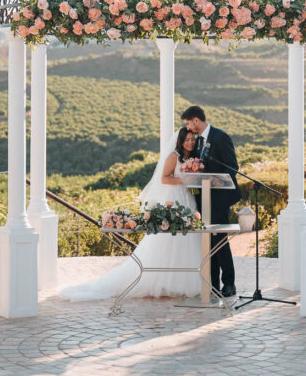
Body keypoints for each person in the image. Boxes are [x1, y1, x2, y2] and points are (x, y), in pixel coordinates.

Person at [58, 127, 201, 301]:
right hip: (174, 199)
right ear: (180, 141)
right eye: (187, 140)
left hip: (188, 199)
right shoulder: (174, 157)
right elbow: (164, 178)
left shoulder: (193, 158)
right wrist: (184, 179)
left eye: (192, 139)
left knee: (188, 239)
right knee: (168, 240)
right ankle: (162, 280)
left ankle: (185, 280)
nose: (190, 142)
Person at [181, 105, 242, 297]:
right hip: (204, 198)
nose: (188, 128)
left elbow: (232, 166)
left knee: (220, 240)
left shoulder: (220, 137)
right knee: (209, 241)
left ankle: (229, 284)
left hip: (219, 198)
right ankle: (214, 284)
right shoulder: (199, 142)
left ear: (196, 120)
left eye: (189, 123)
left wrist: (216, 180)